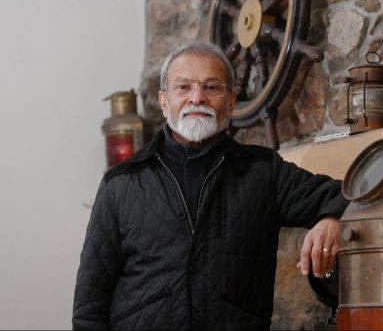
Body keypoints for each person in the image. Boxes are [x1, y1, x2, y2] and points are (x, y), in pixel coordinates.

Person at [73, 41, 348, 330]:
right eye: (183, 87)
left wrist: (330, 219)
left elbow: (351, 195)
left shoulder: (265, 172)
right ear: (164, 101)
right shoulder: (120, 183)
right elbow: (90, 304)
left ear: (230, 101)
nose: (197, 98)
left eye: (212, 87)